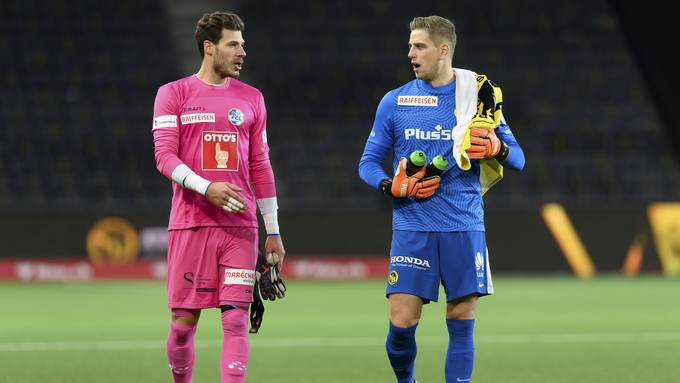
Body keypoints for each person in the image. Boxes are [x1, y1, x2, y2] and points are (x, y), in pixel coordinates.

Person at [358, 15, 525, 383]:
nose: (411, 54)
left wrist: (497, 146)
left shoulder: (477, 98)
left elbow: (519, 158)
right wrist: (390, 186)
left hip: (463, 224)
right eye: (410, 46)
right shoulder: (395, 100)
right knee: (401, 324)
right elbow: (367, 163)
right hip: (412, 224)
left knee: (461, 319)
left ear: (443, 49)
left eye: (419, 46)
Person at [152, 11, 285, 383]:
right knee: (183, 324)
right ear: (209, 48)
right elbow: (164, 157)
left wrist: (272, 230)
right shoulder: (172, 94)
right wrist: (206, 187)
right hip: (190, 224)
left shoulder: (252, 99)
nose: (242, 51)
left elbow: (261, 166)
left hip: (239, 228)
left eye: (243, 44)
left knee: (236, 319)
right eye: (234, 44)